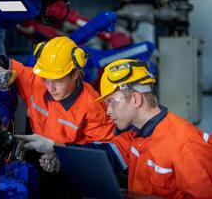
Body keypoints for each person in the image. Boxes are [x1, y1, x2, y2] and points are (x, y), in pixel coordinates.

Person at [16, 59, 212, 199]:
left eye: (112, 102)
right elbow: (104, 155)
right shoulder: (136, 134)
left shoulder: (185, 144)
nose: (107, 111)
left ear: (136, 99)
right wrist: (55, 149)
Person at [0, 36, 115, 198]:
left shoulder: (92, 107)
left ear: (75, 74)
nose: (50, 87)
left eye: (58, 81)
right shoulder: (35, 82)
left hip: (72, 167)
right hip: (34, 152)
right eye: (46, 79)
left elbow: (104, 154)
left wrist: (63, 158)